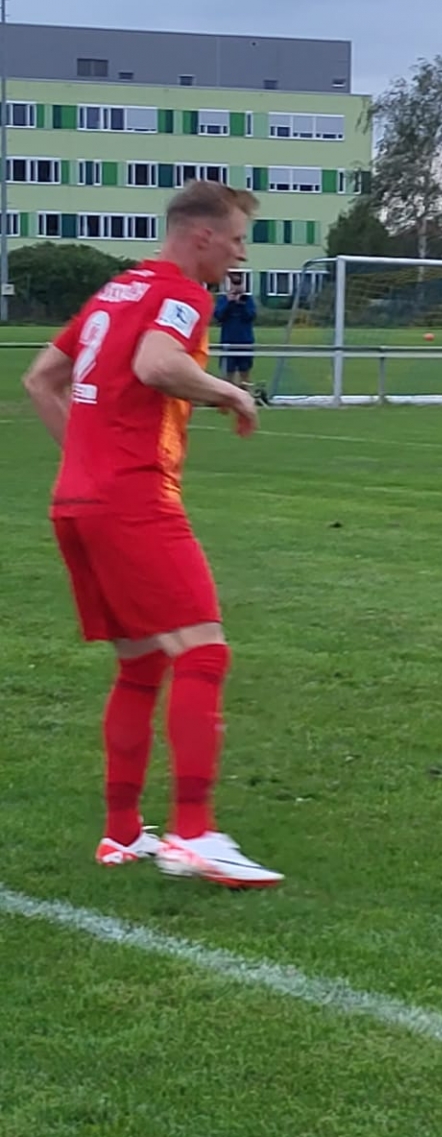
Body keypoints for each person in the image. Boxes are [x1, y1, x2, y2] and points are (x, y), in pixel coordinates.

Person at [20, 181, 280, 887]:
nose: (240, 254)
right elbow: (157, 365)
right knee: (204, 651)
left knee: (140, 665)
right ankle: (192, 834)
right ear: (202, 236)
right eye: (236, 240)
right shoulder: (182, 293)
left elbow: (41, 379)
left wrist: (86, 460)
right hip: (133, 498)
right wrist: (230, 391)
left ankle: (122, 832)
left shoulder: (114, 292)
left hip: (78, 501)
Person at [212, 275, 258, 397]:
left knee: (245, 372)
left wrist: (241, 304)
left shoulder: (247, 300)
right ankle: (227, 398)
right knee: (228, 373)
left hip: (245, 341)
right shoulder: (224, 299)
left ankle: (247, 396)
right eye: (234, 284)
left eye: (239, 284)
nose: (236, 287)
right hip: (228, 341)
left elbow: (251, 316)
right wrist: (229, 303)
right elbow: (219, 316)